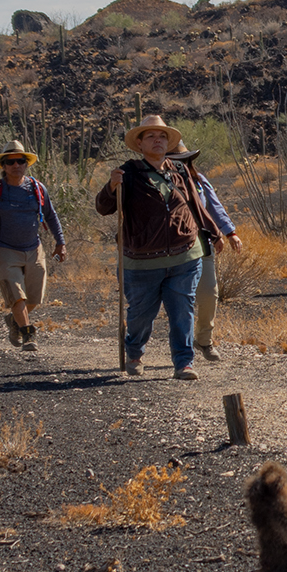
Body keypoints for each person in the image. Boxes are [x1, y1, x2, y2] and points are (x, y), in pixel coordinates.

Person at [97, 115, 223, 381]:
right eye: (151, 136)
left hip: (184, 255)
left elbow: (195, 206)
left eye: (163, 136)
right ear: (140, 144)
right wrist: (111, 186)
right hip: (142, 261)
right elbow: (103, 207)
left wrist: (214, 232)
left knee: (182, 310)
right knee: (141, 315)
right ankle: (134, 352)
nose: (158, 140)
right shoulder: (128, 173)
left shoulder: (179, 170)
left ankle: (183, 362)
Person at [0, 139, 67, 349]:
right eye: (11, 162)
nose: (16, 165)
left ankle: (13, 321)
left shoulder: (36, 188)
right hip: (5, 249)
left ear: (26, 163)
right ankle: (28, 335)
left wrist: (60, 242)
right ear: (3, 166)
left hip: (34, 248)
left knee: (33, 299)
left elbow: (51, 216)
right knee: (17, 297)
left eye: (20, 161)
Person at [167, 138, 246, 362]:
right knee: (182, 299)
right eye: (174, 160)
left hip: (202, 244)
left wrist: (229, 232)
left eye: (183, 160)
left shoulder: (199, 181)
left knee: (209, 294)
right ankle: (183, 348)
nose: (179, 164)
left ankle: (204, 340)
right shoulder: (160, 182)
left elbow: (214, 205)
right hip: (172, 249)